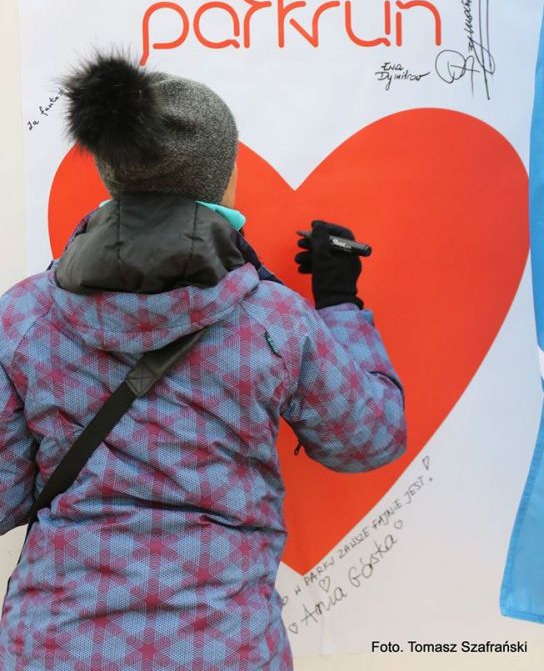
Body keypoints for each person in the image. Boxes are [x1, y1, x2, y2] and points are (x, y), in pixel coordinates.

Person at [0, 52, 406, 670]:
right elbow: (369, 439)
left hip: (57, 647)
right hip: (222, 647)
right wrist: (341, 303)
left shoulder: (25, 316)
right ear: (224, 177)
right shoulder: (273, 319)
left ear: (114, 175)